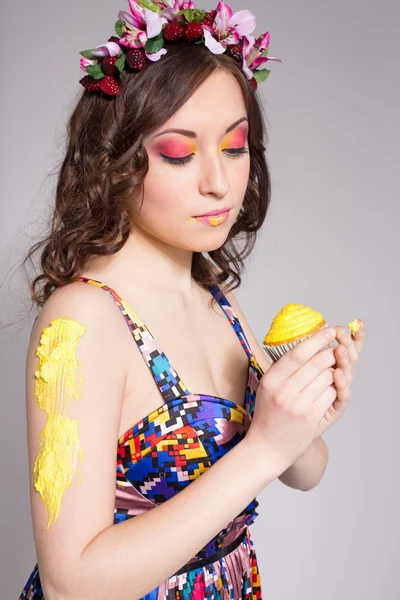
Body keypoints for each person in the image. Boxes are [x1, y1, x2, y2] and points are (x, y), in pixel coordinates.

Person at [18, 1, 365, 598]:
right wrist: (263, 447)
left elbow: (305, 469)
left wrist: (306, 415)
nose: (220, 181)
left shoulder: (215, 296)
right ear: (115, 163)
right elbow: (70, 583)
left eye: (234, 147)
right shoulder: (82, 321)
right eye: (180, 153)